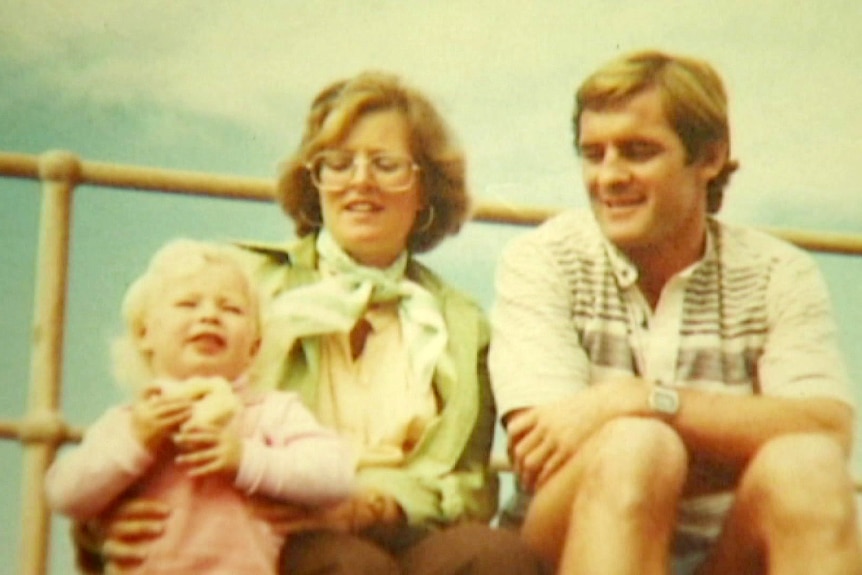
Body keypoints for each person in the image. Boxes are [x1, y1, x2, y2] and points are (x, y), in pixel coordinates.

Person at [77, 72, 547, 574]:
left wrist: (379, 507)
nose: (360, 180)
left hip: (404, 529)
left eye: (386, 165)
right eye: (338, 164)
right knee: (346, 566)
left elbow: (469, 487)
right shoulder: (241, 281)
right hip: (272, 527)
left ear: (426, 189)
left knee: (499, 558)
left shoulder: (462, 321)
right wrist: (104, 520)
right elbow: (147, 415)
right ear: (313, 181)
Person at [489, 49, 862, 575]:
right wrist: (718, 439)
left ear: (709, 157)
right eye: (593, 154)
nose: (609, 176)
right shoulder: (543, 260)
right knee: (637, 448)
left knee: (807, 467)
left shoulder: (778, 272)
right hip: (567, 543)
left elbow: (826, 432)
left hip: (723, 552)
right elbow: (545, 457)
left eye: (638, 151)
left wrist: (644, 399)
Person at [48, 239, 356, 574]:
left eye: (231, 308)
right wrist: (136, 441)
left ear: (255, 346)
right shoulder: (130, 421)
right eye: (187, 304)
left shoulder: (270, 412)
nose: (209, 315)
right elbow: (64, 493)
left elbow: (335, 475)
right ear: (144, 334)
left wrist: (246, 458)